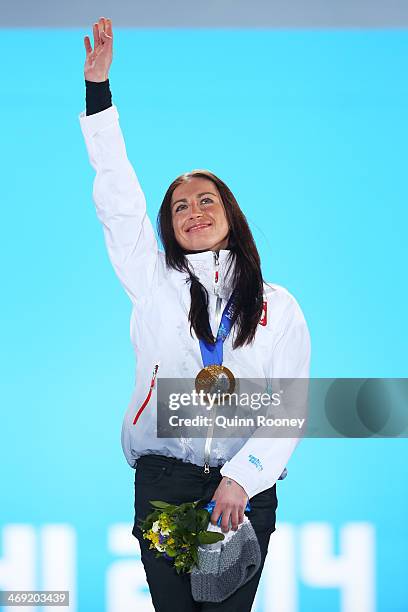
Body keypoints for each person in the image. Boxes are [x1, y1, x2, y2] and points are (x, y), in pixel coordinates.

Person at [79, 17, 311, 612]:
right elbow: (118, 200)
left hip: (245, 488)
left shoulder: (275, 305)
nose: (195, 211)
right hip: (166, 482)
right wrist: (99, 96)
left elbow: (289, 406)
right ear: (169, 227)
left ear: (231, 214)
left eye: (208, 200)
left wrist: (244, 474)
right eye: (180, 206)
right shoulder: (152, 283)